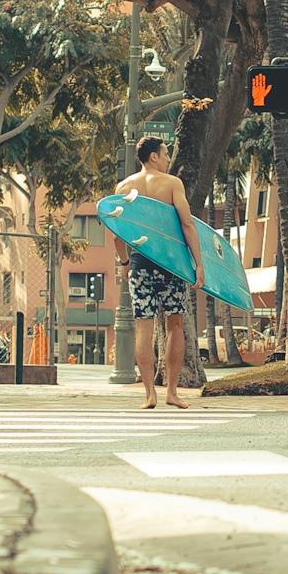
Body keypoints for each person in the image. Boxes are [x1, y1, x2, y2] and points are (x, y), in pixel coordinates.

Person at [111, 135, 205, 410]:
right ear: (153, 156)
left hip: (140, 263)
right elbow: (187, 224)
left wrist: (125, 263)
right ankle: (172, 392)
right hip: (171, 264)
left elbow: (118, 233)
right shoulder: (172, 184)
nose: (167, 159)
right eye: (165, 154)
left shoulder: (125, 186)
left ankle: (149, 393)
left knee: (144, 328)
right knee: (174, 325)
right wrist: (199, 263)